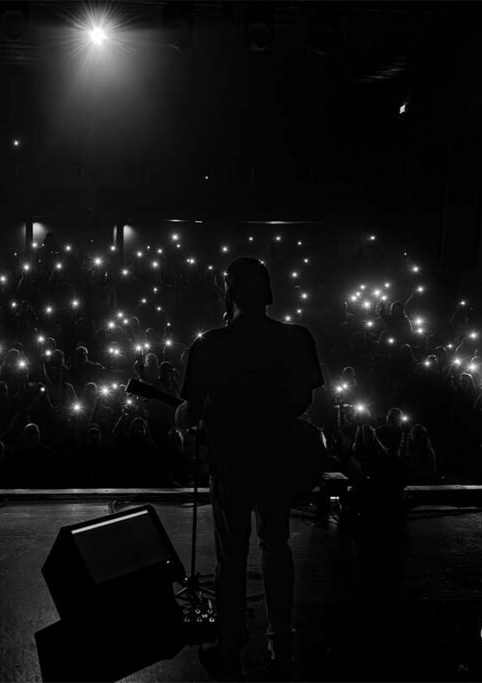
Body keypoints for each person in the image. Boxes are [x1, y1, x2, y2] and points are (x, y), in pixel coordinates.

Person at [175, 257, 324, 679]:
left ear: (229, 294)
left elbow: (192, 412)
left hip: (231, 462)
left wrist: (191, 417)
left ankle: (229, 646)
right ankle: (282, 642)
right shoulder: (296, 338)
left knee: (231, 556)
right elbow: (304, 400)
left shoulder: (209, 345)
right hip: (278, 459)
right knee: (276, 544)